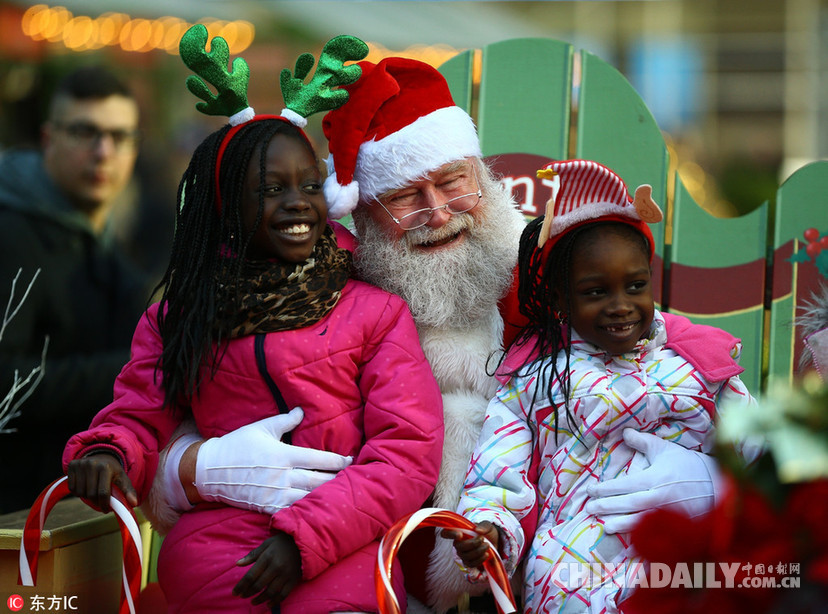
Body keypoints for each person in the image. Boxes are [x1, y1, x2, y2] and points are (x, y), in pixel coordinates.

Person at [153, 58, 735, 613]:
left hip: (555, 574)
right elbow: (209, 396)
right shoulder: (320, 300)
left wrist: (718, 480)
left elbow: (669, 354)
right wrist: (189, 468)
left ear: (481, 177)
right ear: (363, 214)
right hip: (368, 580)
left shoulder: (546, 285)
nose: (438, 213)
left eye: (453, 182)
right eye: (407, 195)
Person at [62, 29, 443, 613]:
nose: (297, 202)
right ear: (226, 208)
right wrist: (108, 453)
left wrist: (307, 538)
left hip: (343, 543)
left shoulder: (374, 312)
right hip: (219, 553)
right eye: (269, 189)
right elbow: (140, 414)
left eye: (309, 186)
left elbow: (407, 451)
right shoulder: (182, 317)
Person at [440, 160, 758, 613]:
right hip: (574, 574)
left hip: (686, 563)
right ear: (559, 298)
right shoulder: (535, 378)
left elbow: (767, 454)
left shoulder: (699, 367)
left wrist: (717, 486)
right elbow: (497, 475)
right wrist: (490, 530)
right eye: (595, 292)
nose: (620, 306)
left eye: (635, 286)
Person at [0, 65, 149, 514]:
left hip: (67, 519)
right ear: (49, 139)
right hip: (13, 522)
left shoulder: (101, 241)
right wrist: (136, 369)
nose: (103, 151)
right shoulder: (11, 235)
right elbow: (6, 387)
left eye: (120, 136)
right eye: (85, 132)